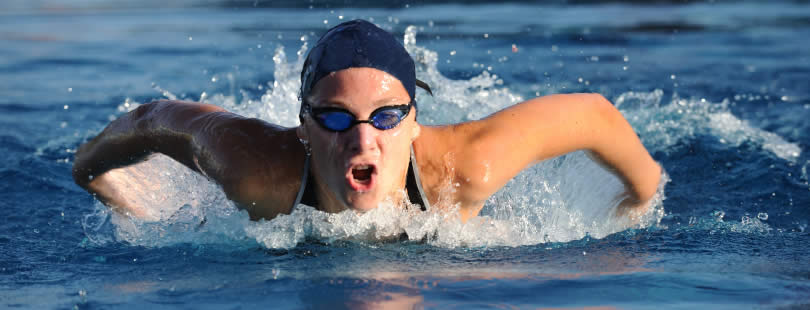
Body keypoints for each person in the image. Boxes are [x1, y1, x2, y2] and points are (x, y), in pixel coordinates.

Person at [72, 19, 661, 223]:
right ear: (302, 126)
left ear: (413, 123)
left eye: (385, 117)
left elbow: (595, 114)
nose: (362, 138)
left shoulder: (465, 167)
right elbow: (152, 120)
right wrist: (91, 171)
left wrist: (640, 197)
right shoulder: (257, 170)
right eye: (334, 117)